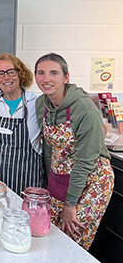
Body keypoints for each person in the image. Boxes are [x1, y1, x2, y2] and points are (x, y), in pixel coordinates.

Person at [35, 53, 114, 250]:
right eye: (41, 73)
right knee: (49, 234)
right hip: (61, 177)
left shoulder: (84, 109)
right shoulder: (41, 104)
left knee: (70, 236)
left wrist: (70, 205)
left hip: (91, 180)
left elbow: (85, 160)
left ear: (66, 77)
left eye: (54, 73)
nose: (46, 79)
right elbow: (48, 148)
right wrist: (47, 186)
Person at [0, 54, 44, 195]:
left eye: (11, 72)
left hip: (30, 178)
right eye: (0, 74)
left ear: (20, 74)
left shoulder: (37, 103)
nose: (6, 77)